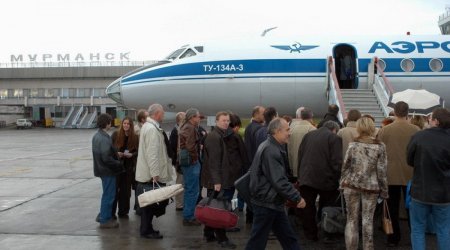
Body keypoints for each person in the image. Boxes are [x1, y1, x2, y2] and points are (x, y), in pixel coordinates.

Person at [246, 118, 306, 250]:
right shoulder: (271, 150)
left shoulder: (269, 146)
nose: (289, 133)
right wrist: (296, 197)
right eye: (287, 130)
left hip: (271, 202)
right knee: (257, 242)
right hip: (267, 203)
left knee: (288, 238)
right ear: (277, 131)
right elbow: (278, 180)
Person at [340, 117, 388, 250]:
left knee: (351, 219)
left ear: (359, 128)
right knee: (367, 220)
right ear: (372, 127)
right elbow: (382, 171)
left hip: (351, 184)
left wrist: (341, 183)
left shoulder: (353, 144)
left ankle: (351, 248)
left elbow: (345, 166)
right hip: (371, 187)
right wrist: (384, 191)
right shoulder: (380, 146)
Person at [377, 101, 420, 247]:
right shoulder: (416, 130)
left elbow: (379, 151)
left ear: (394, 112)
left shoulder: (385, 130)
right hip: (411, 174)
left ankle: (393, 238)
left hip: (390, 174)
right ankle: (415, 236)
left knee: (392, 207)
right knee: (411, 207)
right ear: (408, 112)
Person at [407, 108, 450, 250]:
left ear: (436, 121)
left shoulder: (419, 136)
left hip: (421, 190)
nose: (428, 120)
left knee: (418, 229)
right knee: (443, 230)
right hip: (444, 193)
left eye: (430, 118)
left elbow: (409, 160)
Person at [297, 120, 342, 242]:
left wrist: (300, 175)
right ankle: (326, 232)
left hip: (306, 177)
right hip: (326, 180)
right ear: (334, 129)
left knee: (308, 207)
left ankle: (310, 234)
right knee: (327, 206)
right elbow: (337, 162)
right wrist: (338, 179)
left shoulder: (308, 135)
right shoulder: (334, 138)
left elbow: (300, 155)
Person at [202, 111, 241, 248]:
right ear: (216, 121)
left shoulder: (219, 135)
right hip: (217, 181)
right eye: (223, 120)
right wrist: (217, 182)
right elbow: (213, 162)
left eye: (227, 120)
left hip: (217, 179)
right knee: (218, 209)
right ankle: (222, 239)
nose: (226, 123)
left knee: (213, 206)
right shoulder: (214, 137)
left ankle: (208, 233)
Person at [135, 103, 174, 239]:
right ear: (157, 114)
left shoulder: (149, 127)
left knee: (149, 205)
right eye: (162, 113)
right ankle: (146, 231)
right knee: (149, 206)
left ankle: (148, 228)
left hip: (147, 174)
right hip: (150, 176)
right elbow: (152, 154)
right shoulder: (152, 129)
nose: (163, 115)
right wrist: (155, 174)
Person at [92, 113, 123, 228]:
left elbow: (104, 154)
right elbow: (106, 158)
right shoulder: (104, 138)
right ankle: (105, 220)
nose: (111, 123)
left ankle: (103, 215)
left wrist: (115, 153)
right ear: (107, 123)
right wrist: (118, 163)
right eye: (110, 122)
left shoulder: (97, 135)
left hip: (101, 170)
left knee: (106, 194)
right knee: (109, 195)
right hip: (107, 171)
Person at [111, 117, 139, 219]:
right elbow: (110, 149)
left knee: (125, 191)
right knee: (114, 191)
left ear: (131, 126)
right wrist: (117, 153)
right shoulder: (115, 135)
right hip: (117, 167)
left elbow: (138, 151)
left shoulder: (135, 137)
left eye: (128, 124)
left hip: (128, 168)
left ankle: (123, 211)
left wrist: (132, 155)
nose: (126, 125)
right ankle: (111, 213)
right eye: (124, 123)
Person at [179, 108, 202, 226]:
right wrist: (195, 158)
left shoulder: (185, 126)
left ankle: (188, 215)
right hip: (191, 163)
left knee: (190, 189)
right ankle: (189, 216)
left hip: (187, 162)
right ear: (193, 117)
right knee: (192, 190)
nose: (199, 119)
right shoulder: (190, 128)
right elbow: (190, 146)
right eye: (198, 116)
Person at [243, 105, 265, 223]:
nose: (264, 115)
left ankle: (250, 217)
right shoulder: (258, 129)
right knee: (256, 193)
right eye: (262, 113)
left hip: (250, 164)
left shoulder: (249, 127)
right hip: (255, 165)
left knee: (252, 192)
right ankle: (253, 217)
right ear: (255, 114)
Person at [287, 107, 316, 178]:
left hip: (294, 166)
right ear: (311, 117)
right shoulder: (313, 130)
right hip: (307, 169)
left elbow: (289, 148)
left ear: (301, 117)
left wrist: (291, 166)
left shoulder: (292, 129)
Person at [169, 112, 186, 211]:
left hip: (180, 161)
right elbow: (172, 147)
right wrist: (176, 161)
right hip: (179, 161)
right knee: (180, 182)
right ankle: (179, 204)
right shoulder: (176, 131)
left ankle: (181, 203)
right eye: (184, 119)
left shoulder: (179, 130)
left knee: (182, 182)